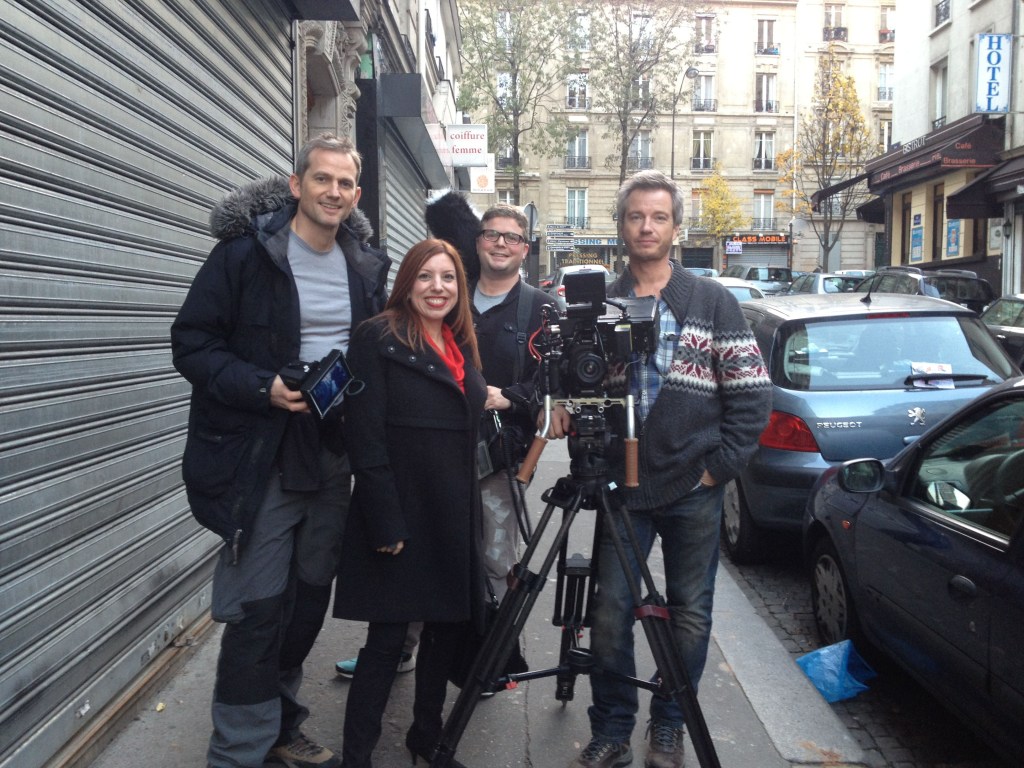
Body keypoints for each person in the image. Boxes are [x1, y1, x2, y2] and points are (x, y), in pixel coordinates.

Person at [171, 133, 389, 768]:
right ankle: (238, 751)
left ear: (355, 194)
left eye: (345, 184)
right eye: (322, 179)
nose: (334, 192)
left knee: (307, 599)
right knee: (258, 606)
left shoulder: (364, 266)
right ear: (297, 186)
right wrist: (262, 386)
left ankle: (279, 721)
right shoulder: (245, 256)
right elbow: (192, 343)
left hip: (331, 453)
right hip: (261, 453)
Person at [550, 170, 773, 768]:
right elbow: (579, 383)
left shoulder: (710, 301)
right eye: (635, 217)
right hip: (623, 487)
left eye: (659, 217)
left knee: (691, 613)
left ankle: (669, 725)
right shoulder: (600, 301)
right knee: (610, 611)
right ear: (621, 225)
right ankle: (613, 727)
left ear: (676, 226)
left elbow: (752, 394)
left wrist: (717, 468)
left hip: (693, 487)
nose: (646, 227)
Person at [333, 199, 545, 678]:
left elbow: (552, 385)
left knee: (490, 562)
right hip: (426, 456)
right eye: (492, 234)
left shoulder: (541, 308)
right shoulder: (449, 294)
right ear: (477, 241)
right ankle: (399, 648)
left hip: (495, 457)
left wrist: (508, 398)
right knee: (412, 560)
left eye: (512, 237)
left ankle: (480, 659)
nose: (500, 244)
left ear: (524, 248)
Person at [333, 239, 487, 768]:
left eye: (448, 278)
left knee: (444, 631)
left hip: (452, 510)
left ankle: (427, 736)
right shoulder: (376, 337)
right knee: (386, 641)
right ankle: (358, 756)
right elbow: (365, 436)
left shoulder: (459, 340)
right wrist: (383, 518)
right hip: (400, 510)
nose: (437, 288)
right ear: (408, 283)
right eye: (426, 277)